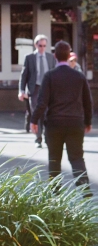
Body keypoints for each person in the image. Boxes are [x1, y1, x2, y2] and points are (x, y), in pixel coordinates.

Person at [31, 40, 93, 193]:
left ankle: (55, 193)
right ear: (68, 55)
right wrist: (88, 121)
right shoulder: (79, 76)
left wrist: (34, 120)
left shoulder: (50, 76)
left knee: (54, 159)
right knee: (77, 158)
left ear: (55, 56)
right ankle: (85, 192)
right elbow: (88, 101)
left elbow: (42, 102)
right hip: (75, 122)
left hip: (54, 123)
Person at [19, 35, 57, 148]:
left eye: (44, 46)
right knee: (36, 113)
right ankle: (38, 138)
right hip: (34, 89)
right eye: (40, 46)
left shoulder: (51, 57)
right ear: (36, 45)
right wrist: (21, 90)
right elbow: (24, 75)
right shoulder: (29, 58)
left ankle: (47, 137)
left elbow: (55, 74)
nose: (42, 48)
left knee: (48, 113)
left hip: (48, 89)